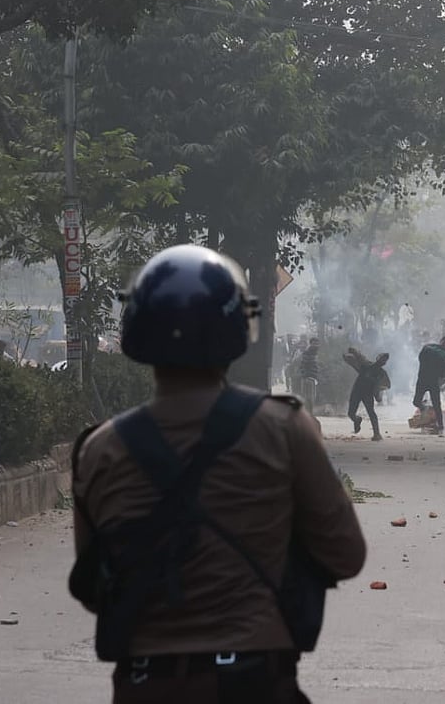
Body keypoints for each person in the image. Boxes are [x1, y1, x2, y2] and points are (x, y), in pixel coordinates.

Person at [70, 244, 366, 704]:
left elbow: (94, 586)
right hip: (254, 680)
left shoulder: (99, 449)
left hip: (144, 684)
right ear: (237, 326)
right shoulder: (283, 429)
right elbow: (346, 555)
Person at [345, 349, 390, 442]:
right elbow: (360, 357)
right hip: (357, 391)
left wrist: (378, 395)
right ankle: (357, 420)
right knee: (351, 413)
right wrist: (354, 352)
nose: (382, 361)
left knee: (371, 412)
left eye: (384, 360)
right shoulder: (366, 365)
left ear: (385, 363)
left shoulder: (381, 373)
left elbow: (385, 385)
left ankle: (377, 434)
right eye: (382, 358)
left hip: (368, 394)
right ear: (377, 358)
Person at [414, 336, 445, 434]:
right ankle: (424, 408)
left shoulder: (440, 354)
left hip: (433, 381)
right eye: (444, 342)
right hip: (422, 379)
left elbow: (443, 371)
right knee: (416, 402)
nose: (444, 344)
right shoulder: (430, 348)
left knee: (437, 405)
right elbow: (421, 358)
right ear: (441, 341)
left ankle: (441, 427)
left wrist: (443, 378)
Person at [298, 338, 320, 407]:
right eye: (314, 343)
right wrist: (305, 375)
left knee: (311, 397)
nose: (316, 345)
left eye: (317, 344)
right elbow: (303, 365)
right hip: (308, 378)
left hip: (313, 378)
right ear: (310, 344)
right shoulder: (307, 353)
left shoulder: (316, 353)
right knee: (308, 397)